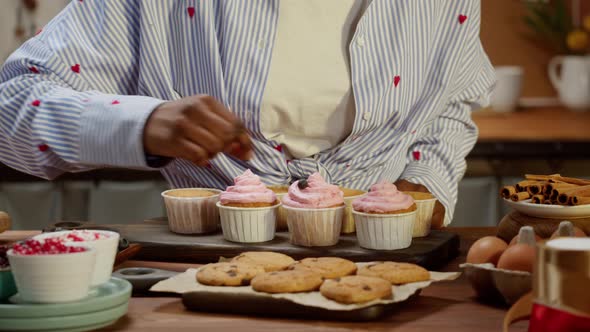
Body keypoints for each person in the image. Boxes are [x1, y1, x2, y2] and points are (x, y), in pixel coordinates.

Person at [0, 0, 494, 228]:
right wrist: (144, 123)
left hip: (386, 283)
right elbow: (12, 108)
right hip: (205, 280)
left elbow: (450, 104)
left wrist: (422, 188)